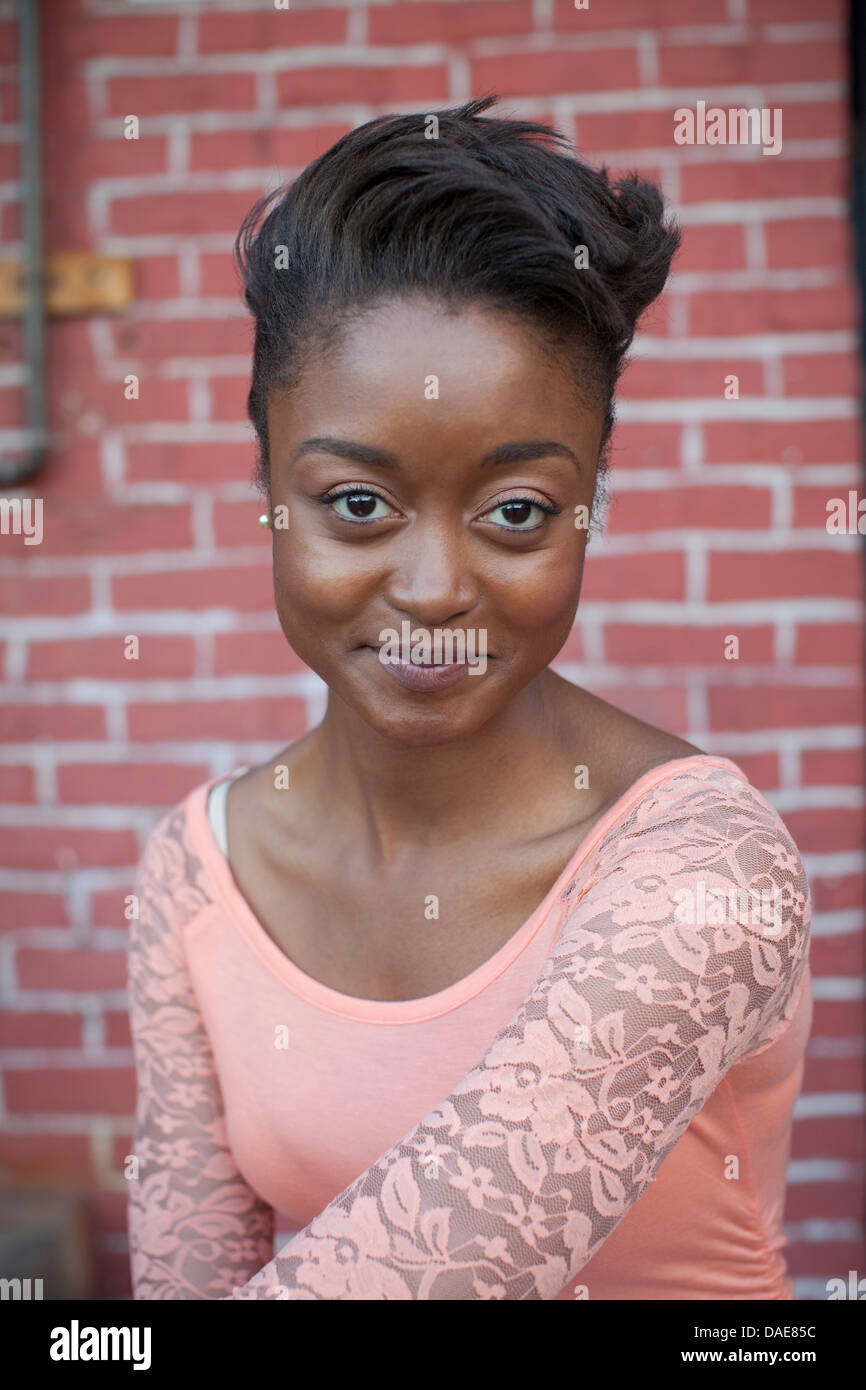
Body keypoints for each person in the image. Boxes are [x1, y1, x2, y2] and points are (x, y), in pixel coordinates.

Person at [127, 96, 812, 1300]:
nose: (436, 589)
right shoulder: (196, 876)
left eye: (515, 514)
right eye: (355, 503)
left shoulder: (702, 870)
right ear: (266, 485)